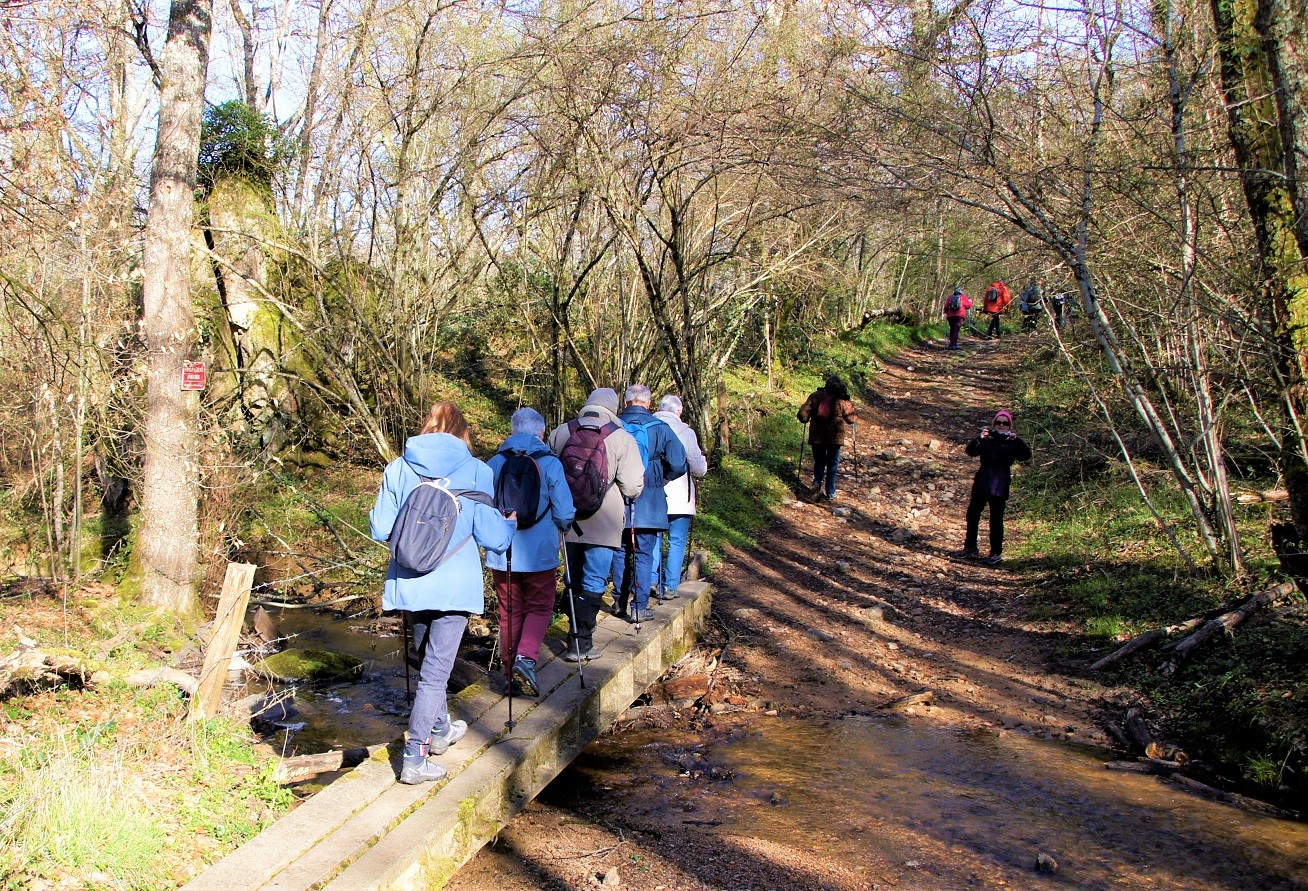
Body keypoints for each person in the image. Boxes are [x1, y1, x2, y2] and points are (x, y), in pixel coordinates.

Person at [369, 401, 515, 785]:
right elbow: (494, 538)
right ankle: (415, 759)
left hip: (410, 581)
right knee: (435, 673)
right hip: (454, 585)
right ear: (463, 432)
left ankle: (438, 732)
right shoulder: (478, 471)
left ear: (427, 428)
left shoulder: (400, 468)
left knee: (425, 666)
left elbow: (381, 527)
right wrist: (509, 526)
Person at [548, 388, 644, 661]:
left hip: (568, 519)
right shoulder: (620, 436)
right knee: (594, 579)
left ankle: (573, 633)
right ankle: (581, 644)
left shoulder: (561, 432)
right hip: (605, 520)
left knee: (574, 579)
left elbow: (550, 474)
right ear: (614, 407)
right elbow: (633, 486)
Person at [486, 407, 576, 698]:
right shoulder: (550, 463)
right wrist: (564, 524)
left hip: (502, 549)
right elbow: (564, 512)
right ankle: (526, 658)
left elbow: (484, 506)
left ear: (513, 430)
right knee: (539, 606)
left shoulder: (494, 462)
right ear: (541, 432)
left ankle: (509, 668)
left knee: (508, 609)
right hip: (539, 552)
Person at [609, 384, 688, 622]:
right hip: (649, 499)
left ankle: (618, 602)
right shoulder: (660, 428)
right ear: (649, 403)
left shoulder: (613, 426)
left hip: (617, 498)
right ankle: (639, 607)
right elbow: (678, 463)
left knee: (620, 550)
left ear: (625, 402)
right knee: (644, 553)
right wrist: (659, 478)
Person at [651, 394, 708, 601]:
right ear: (678, 411)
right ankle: (670, 586)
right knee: (676, 541)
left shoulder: (648, 427)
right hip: (680, 497)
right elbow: (699, 469)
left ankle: (650, 580)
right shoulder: (686, 432)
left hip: (652, 495)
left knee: (653, 538)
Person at [960, 410, 1032, 566]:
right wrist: (979, 439)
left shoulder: (1013, 442)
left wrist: (1017, 441)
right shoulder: (987, 439)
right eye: (998, 423)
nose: (1001, 425)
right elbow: (970, 451)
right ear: (994, 424)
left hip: (1000, 484)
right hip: (982, 480)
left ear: (1010, 426)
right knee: (972, 513)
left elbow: (1026, 456)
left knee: (996, 518)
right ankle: (970, 546)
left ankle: (995, 552)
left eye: (1004, 423)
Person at [796, 375, 858, 502]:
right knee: (833, 463)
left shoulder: (815, 396)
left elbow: (803, 415)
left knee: (819, 462)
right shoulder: (842, 399)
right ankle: (831, 491)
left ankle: (816, 484)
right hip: (835, 437)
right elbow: (851, 419)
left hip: (817, 436)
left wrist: (807, 417)